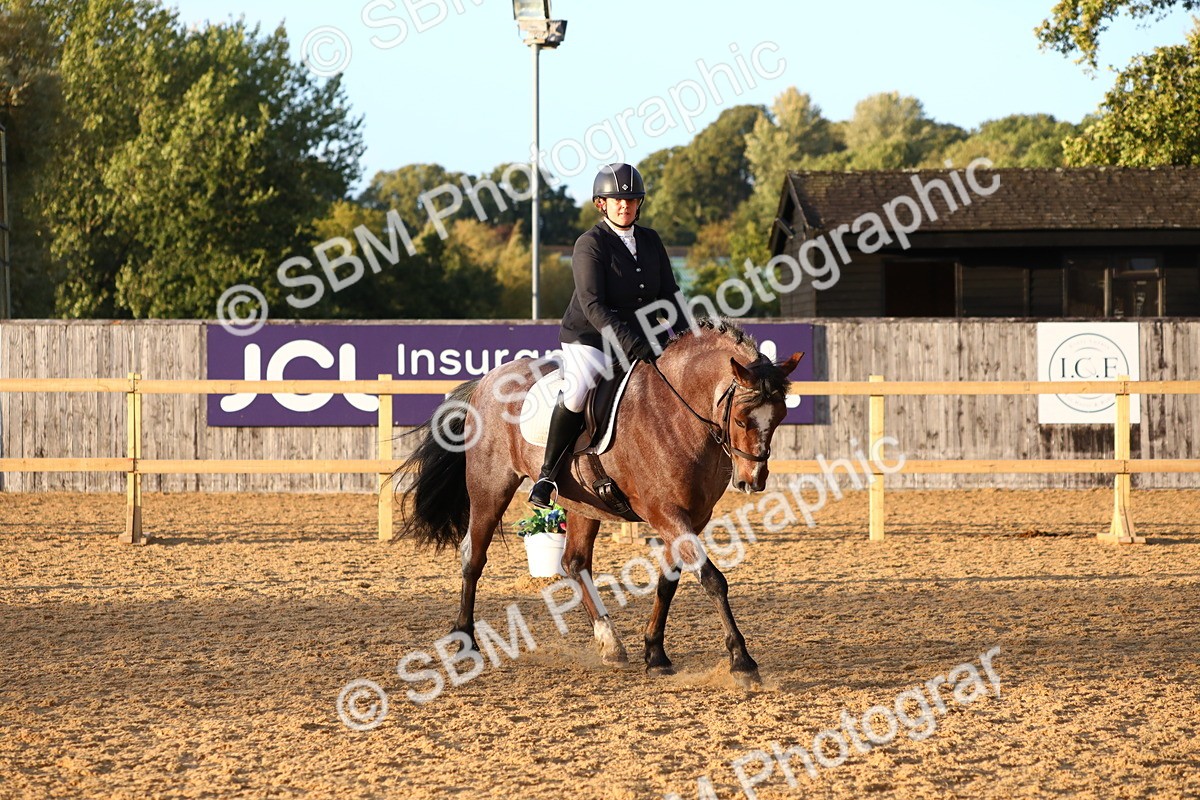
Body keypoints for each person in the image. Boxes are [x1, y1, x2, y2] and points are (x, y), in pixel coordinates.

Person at [528, 162, 687, 508]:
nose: (624, 205)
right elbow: (593, 304)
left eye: (631, 200)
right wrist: (631, 343)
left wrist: (690, 337)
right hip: (590, 337)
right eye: (616, 200)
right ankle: (547, 475)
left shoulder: (650, 240)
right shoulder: (590, 243)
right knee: (579, 388)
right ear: (602, 203)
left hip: (641, 333)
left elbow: (669, 295)